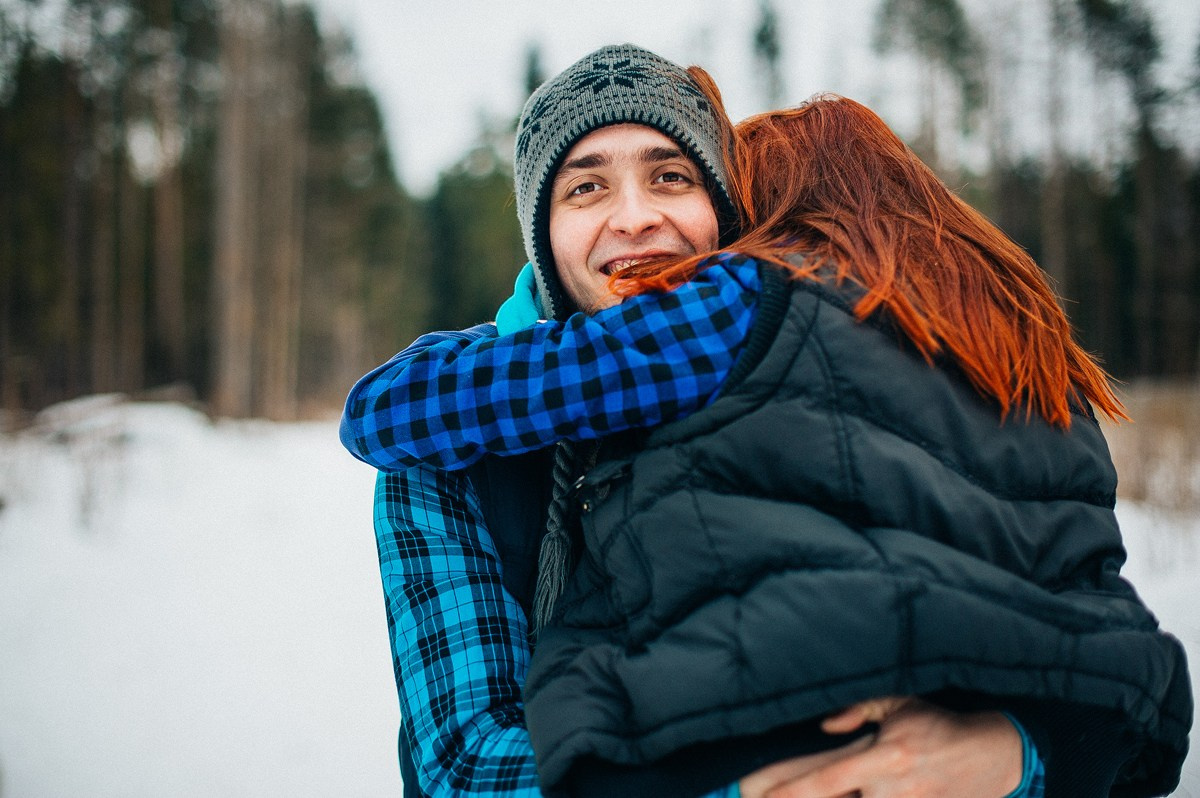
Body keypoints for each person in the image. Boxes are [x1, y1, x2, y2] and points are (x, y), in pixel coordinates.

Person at [341, 46, 1190, 796]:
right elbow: (466, 768)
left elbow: (1123, 698)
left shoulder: (758, 333)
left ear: (736, 221)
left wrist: (1014, 757)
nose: (635, 216)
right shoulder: (450, 457)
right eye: (586, 186)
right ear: (541, 234)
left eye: (671, 175)